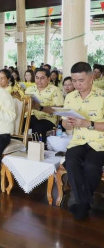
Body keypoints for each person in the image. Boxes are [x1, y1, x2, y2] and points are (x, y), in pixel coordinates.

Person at [62, 62, 104, 220]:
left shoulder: (102, 96)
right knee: (71, 160)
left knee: (91, 165)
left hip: (99, 143)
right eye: (74, 81)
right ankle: (85, 202)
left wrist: (89, 124)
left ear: (92, 77)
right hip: (78, 141)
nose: (77, 84)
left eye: (81, 80)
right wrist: (67, 123)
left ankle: (80, 203)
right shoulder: (71, 97)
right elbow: (65, 123)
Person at [25, 68, 64, 142]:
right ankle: (20, 147)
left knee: (38, 127)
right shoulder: (29, 90)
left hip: (47, 118)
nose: (39, 80)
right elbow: (25, 106)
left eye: (42, 78)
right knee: (18, 123)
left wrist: (40, 108)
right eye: (37, 78)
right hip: (31, 116)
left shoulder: (55, 90)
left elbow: (59, 109)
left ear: (48, 79)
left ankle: (36, 149)